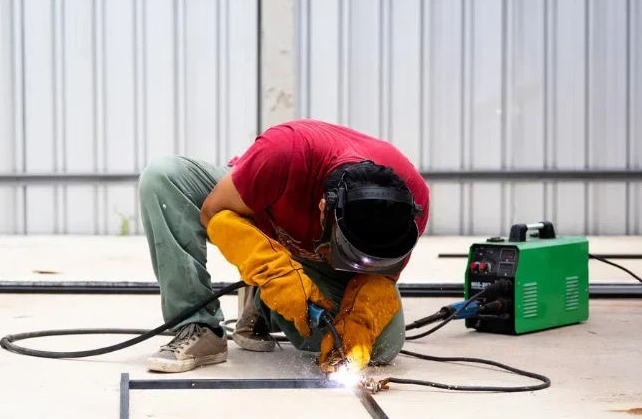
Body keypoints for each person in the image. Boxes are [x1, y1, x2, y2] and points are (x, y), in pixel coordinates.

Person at [137, 118, 430, 375]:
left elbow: (376, 280)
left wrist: (357, 324)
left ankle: (262, 303)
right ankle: (198, 325)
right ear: (323, 208)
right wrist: (273, 272)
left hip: (318, 263)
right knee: (163, 177)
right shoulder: (286, 152)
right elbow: (212, 212)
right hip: (260, 218)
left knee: (383, 346)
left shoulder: (412, 200)